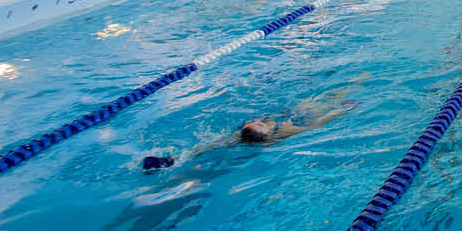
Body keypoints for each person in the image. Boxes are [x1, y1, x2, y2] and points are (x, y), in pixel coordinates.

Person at [141, 72, 367, 171]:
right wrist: (341, 111)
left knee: (217, 144)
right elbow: (315, 126)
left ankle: (172, 160)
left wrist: (176, 158)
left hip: (290, 110)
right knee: (338, 93)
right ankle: (361, 80)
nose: (259, 120)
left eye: (254, 121)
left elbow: (207, 147)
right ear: (267, 136)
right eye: (260, 124)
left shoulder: (241, 136)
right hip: (305, 115)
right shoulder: (284, 131)